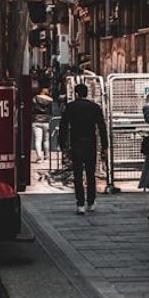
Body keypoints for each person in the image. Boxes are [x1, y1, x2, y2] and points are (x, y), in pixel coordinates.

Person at [58, 83, 108, 215]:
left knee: (78, 174)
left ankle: (80, 203)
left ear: (76, 93)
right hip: (91, 143)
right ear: (87, 93)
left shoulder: (71, 107)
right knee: (91, 174)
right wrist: (105, 145)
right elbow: (102, 127)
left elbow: (63, 126)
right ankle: (91, 202)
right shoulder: (95, 107)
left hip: (76, 143)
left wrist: (62, 144)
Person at [32, 87, 54, 162]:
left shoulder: (35, 98)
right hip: (46, 122)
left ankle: (39, 157)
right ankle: (46, 157)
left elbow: (32, 109)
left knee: (38, 140)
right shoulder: (50, 101)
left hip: (36, 121)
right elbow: (51, 112)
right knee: (46, 140)